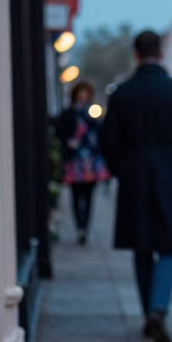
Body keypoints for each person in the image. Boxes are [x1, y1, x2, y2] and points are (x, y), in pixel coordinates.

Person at [100, 29, 172, 342]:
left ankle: (148, 312)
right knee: (169, 247)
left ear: (135, 54)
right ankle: (159, 310)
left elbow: (107, 141)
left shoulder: (121, 93)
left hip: (134, 177)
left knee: (141, 246)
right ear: (160, 53)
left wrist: (121, 169)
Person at [55, 80, 110, 245]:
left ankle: (85, 227)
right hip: (75, 160)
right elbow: (61, 132)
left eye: (86, 94)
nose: (83, 97)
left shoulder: (92, 114)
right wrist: (68, 142)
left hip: (90, 161)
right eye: (81, 93)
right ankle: (79, 226)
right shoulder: (69, 114)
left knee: (89, 196)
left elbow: (101, 134)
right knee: (76, 195)